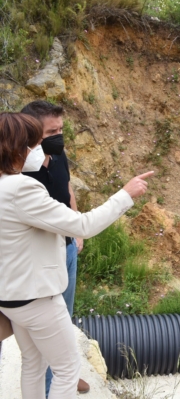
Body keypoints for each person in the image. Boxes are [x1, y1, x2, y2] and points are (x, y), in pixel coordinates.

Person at [0, 112, 153, 399]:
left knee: (33, 363)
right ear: (16, 149)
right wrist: (125, 195)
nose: (39, 150)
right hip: (38, 298)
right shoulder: (21, 189)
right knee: (68, 368)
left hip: (11, 297)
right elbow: (83, 224)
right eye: (33, 144)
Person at [20, 100, 87, 395]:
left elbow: (67, 189)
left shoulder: (58, 155)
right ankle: (54, 384)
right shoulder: (17, 170)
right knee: (42, 326)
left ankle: (65, 373)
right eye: (52, 131)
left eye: (61, 128)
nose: (59, 135)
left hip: (67, 248)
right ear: (32, 132)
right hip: (38, 258)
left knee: (65, 316)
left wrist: (76, 229)